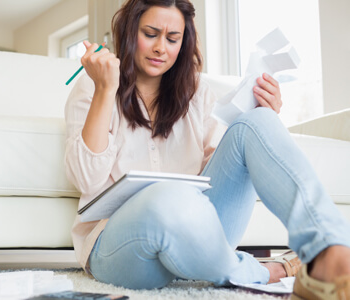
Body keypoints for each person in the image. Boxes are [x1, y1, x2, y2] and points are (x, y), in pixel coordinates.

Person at [64, 0, 350, 298]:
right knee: (166, 196)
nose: (162, 47)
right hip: (121, 246)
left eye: (172, 39)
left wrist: (264, 119)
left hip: (196, 234)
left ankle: (330, 253)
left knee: (257, 121)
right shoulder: (92, 87)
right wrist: (105, 89)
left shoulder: (197, 92)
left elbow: (224, 174)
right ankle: (263, 271)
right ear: (128, 32)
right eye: (150, 34)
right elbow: (87, 180)